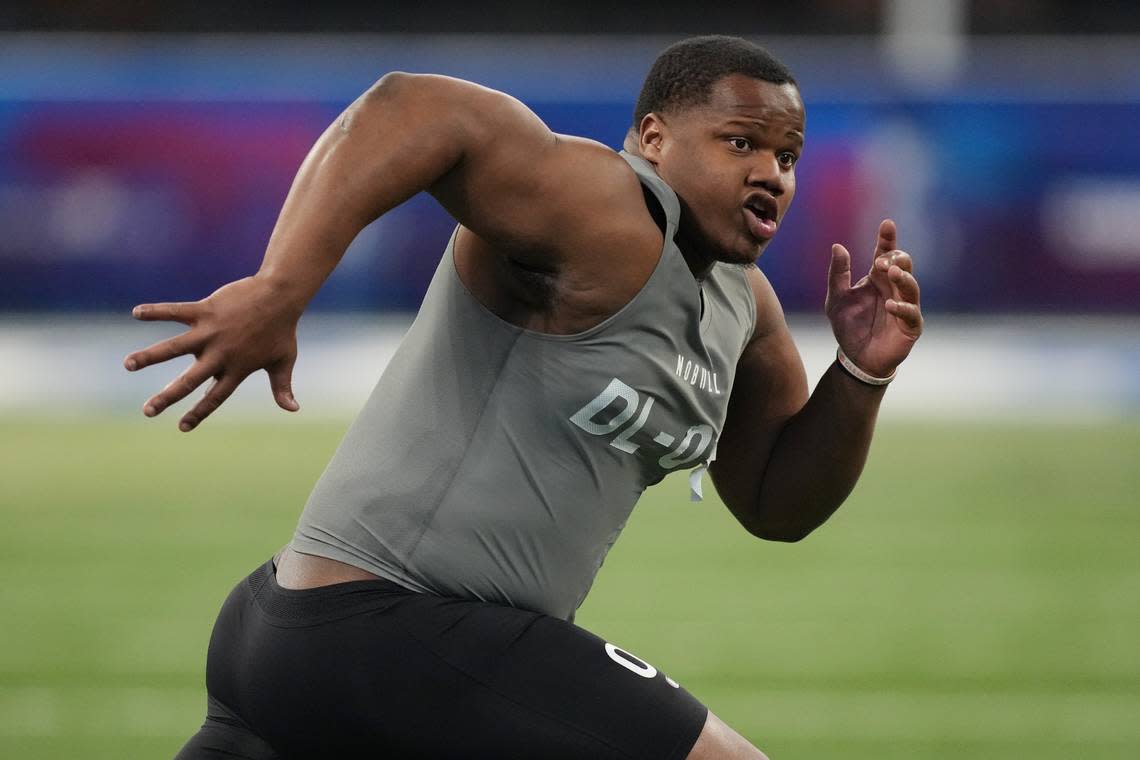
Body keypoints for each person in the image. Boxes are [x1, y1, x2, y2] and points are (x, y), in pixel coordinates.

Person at [126, 35, 922, 760]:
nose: (770, 175)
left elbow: (776, 503)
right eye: (741, 142)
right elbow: (410, 106)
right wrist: (281, 288)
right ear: (653, 140)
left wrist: (861, 377)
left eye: (789, 156)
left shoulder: (744, 307)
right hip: (387, 625)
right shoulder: (605, 209)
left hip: (312, 642)